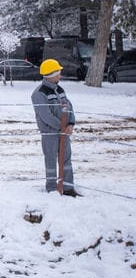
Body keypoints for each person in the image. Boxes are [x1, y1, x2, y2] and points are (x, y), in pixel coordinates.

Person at [31, 58, 78, 196]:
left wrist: (71, 124)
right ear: (51, 74)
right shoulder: (39, 93)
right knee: (51, 159)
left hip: (64, 132)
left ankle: (68, 188)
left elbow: (69, 107)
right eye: (58, 73)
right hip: (50, 134)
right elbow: (46, 116)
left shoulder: (59, 89)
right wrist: (62, 127)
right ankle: (52, 189)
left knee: (66, 160)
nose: (60, 75)